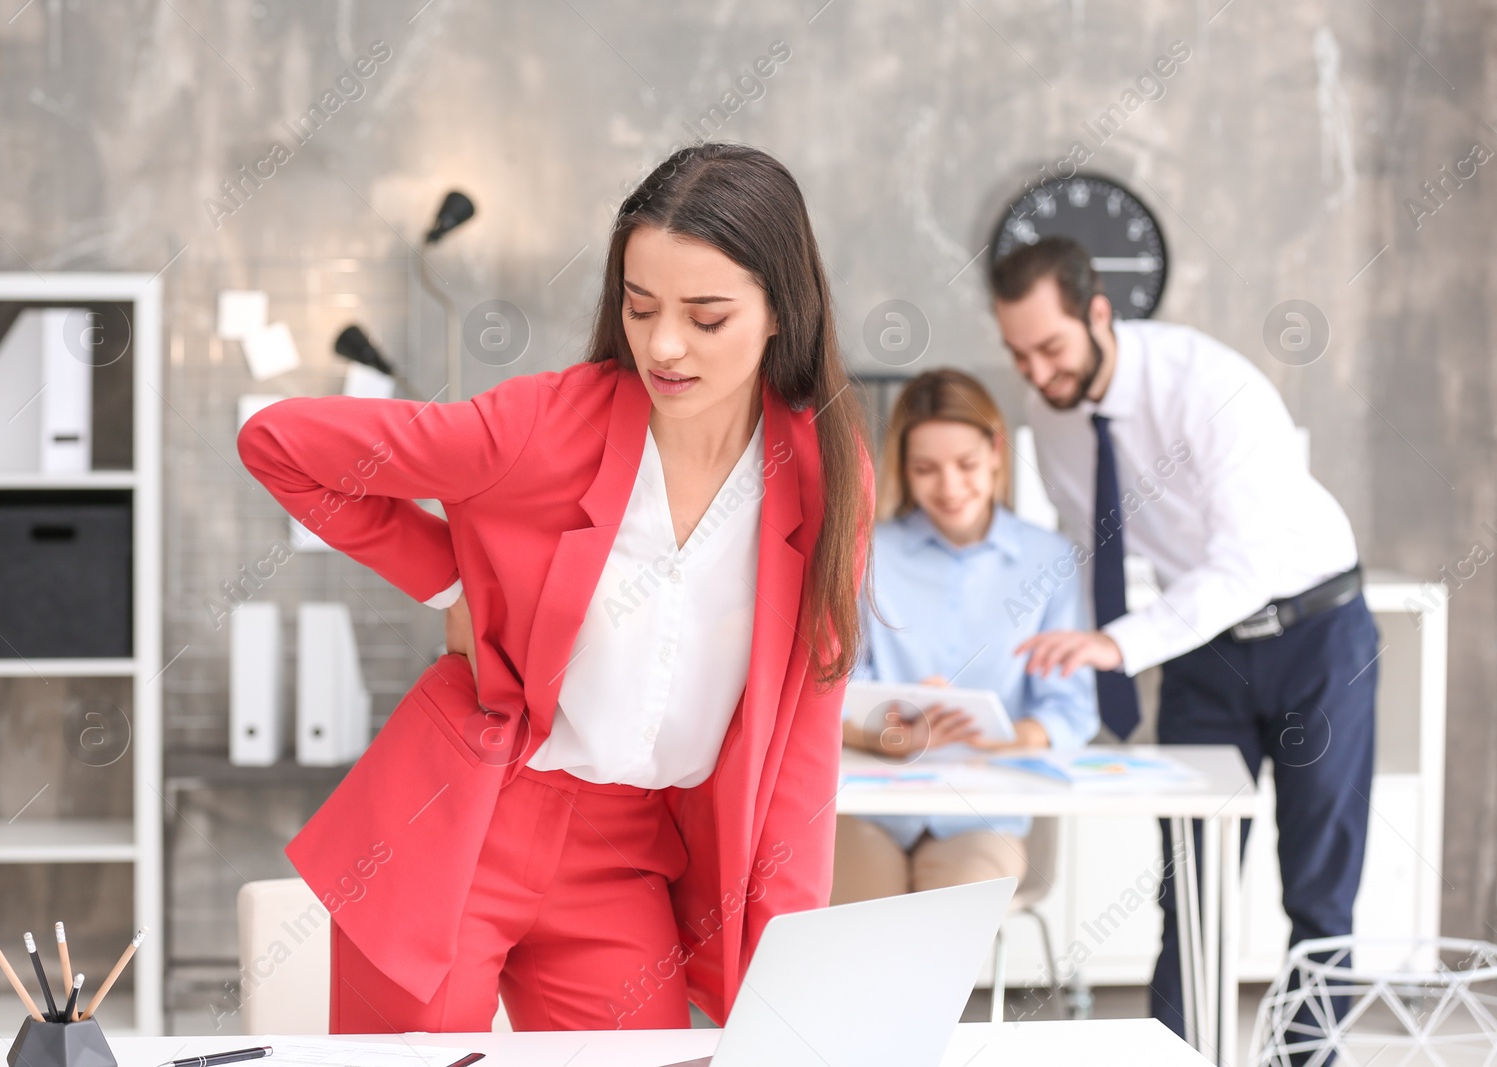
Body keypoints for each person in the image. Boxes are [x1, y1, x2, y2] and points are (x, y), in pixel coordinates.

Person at [236, 143, 873, 1033]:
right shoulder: (545, 424)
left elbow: (802, 755)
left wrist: (781, 989)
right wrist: (448, 581)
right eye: (640, 305)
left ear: (780, 311)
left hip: (626, 858)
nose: (663, 344)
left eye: (707, 315)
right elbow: (281, 443)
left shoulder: (824, 478)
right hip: (462, 823)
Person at [987, 236, 1379, 1044]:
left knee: (1318, 890)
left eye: (1050, 347)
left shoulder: (1209, 386)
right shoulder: (1048, 408)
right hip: (1205, 653)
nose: (1036, 372)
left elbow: (1245, 563)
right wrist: (1053, 638)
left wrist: (1120, 646)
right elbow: (1082, 539)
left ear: (1099, 312)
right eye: (1018, 354)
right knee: (1190, 887)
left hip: (1315, 635)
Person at [831, 369, 1098, 904]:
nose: (949, 488)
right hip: (873, 804)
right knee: (861, 930)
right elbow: (839, 695)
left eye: (966, 465)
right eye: (926, 469)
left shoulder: (1051, 560)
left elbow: (1071, 709)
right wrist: (888, 730)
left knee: (944, 932)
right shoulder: (868, 553)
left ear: (997, 451)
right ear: (903, 469)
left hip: (985, 812)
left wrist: (1006, 736)